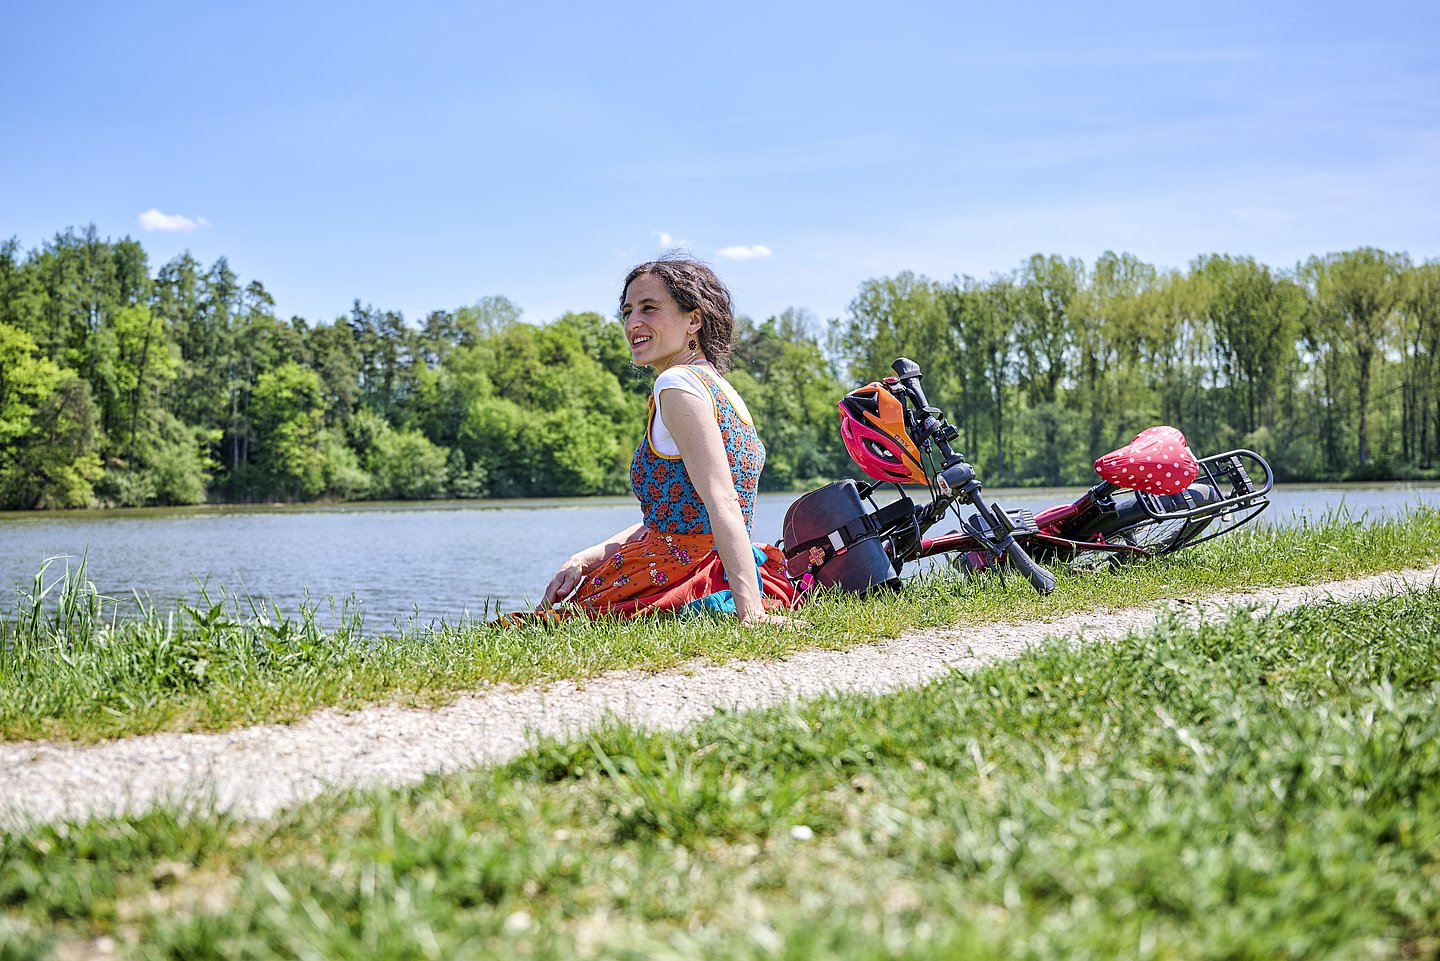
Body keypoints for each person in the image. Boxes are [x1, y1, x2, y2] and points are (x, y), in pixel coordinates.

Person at [536, 258, 797, 626]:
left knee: (539, 625)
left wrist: (750, 612)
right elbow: (675, 518)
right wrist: (586, 557)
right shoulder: (721, 389)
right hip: (727, 566)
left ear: (694, 319)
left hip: (686, 575)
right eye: (627, 311)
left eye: (649, 308)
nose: (632, 323)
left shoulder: (675, 384)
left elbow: (721, 499)